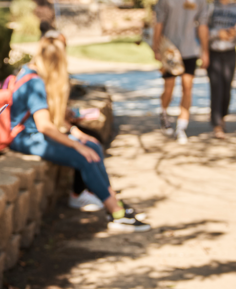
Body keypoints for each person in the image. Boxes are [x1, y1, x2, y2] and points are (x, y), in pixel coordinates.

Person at [8, 34, 149, 231]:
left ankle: (113, 202)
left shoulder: (32, 72)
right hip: (24, 138)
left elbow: (52, 118)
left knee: (91, 144)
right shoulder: (35, 82)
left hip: (33, 135)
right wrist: (75, 144)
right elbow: (45, 126)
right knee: (85, 156)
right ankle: (116, 213)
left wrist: (77, 134)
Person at [152, 0, 209, 144]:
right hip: (170, 49)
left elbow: (202, 27)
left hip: (190, 50)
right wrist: (156, 47)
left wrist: (205, 51)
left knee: (187, 87)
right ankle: (163, 112)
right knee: (168, 89)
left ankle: (181, 127)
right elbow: (158, 24)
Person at [206, 0, 236, 138]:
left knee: (227, 86)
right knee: (216, 87)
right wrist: (216, 34)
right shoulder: (210, 8)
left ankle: (222, 117)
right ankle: (216, 124)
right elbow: (201, 31)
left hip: (230, 51)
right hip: (213, 51)